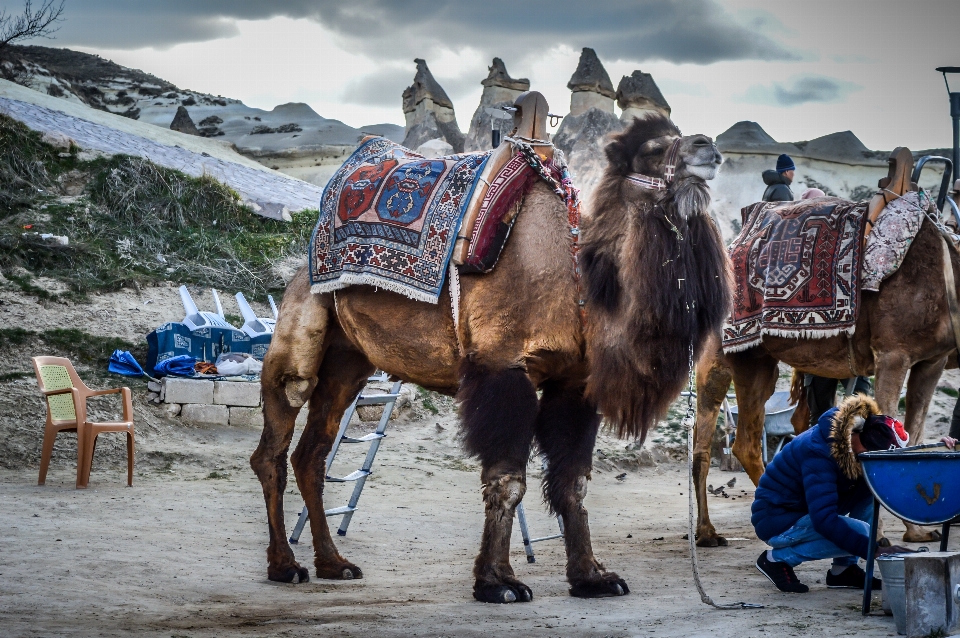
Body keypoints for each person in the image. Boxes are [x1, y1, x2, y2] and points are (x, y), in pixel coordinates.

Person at [752, 394, 958, 593]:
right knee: (864, 533)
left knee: (870, 491)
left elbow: (903, 479)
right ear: (863, 440)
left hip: (804, 510)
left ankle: (843, 570)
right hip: (778, 520)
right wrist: (874, 550)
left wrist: (941, 452)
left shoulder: (857, 446)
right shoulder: (818, 453)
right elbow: (823, 519)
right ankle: (776, 559)